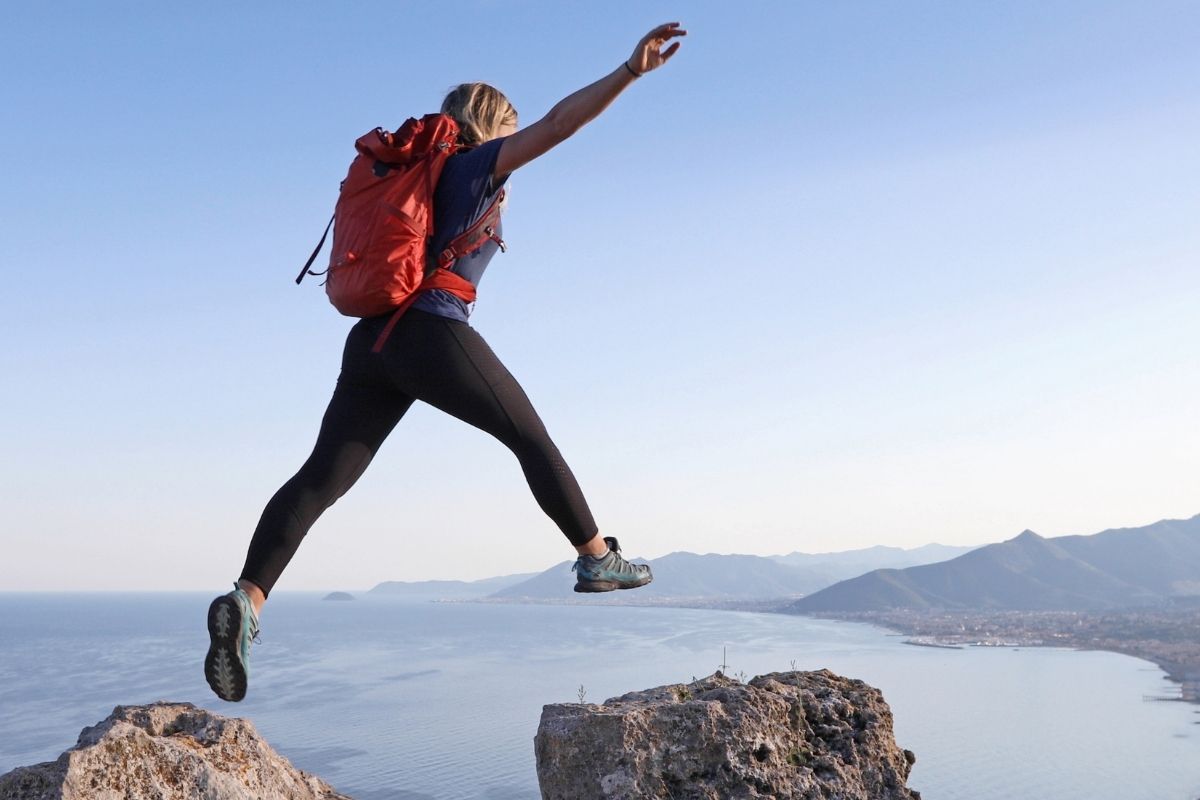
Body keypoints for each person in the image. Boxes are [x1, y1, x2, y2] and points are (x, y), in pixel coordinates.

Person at [204, 22, 687, 702]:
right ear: (489, 128)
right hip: (430, 330)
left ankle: (247, 602)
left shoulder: (402, 175)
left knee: (319, 479)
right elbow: (558, 126)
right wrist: (627, 74)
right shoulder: (472, 168)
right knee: (530, 437)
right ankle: (596, 559)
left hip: (371, 342)